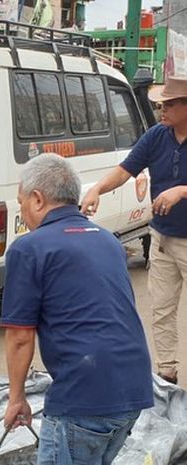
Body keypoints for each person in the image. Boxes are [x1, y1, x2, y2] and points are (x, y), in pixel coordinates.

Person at [2, 153, 154, 464]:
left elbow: (19, 336)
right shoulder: (109, 241)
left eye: (22, 204)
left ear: (37, 199)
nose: (23, 213)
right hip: (134, 390)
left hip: (84, 398)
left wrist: (16, 398)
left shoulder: (29, 249)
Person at [82, 75, 187, 385]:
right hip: (163, 238)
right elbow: (126, 169)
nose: (161, 110)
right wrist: (98, 189)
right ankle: (167, 373)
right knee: (161, 309)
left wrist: (181, 190)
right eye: (160, 104)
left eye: (168, 104)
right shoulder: (156, 136)